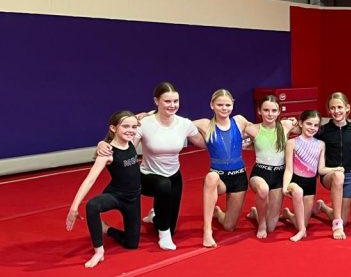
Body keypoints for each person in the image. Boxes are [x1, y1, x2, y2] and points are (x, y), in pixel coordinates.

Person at [98, 82, 206, 251]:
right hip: (147, 177)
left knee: (171, 225)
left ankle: (155, 217)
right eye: (167, 101)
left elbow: (204, 144)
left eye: (175, 101)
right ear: (156, 101)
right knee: (163, 186)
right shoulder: (145, 123)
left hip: (174, 176)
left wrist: (230, 139)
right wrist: (103, 143)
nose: (172, 105)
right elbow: (124, 145)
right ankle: (164, 235)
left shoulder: (184, 124)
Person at [66, 111, 141, 268]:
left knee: (132, 244)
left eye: (134, 127)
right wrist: (74, 206)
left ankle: (106, 229)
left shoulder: (132, 140)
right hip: (116, 195)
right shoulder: (107, 153)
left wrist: (101, 141)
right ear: (113, 128)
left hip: (133, 198)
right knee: (92, 205)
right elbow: (90, 179)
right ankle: (98, 251)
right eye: (125, 126)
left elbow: (146, 115)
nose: (130, 130)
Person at [192, 89, 253, 248]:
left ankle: (218, 212)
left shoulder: (239, 121)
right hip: (219, 179)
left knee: (229, 226)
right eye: (220, 105)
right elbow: (177, 124)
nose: (224, 108)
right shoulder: (205, 124)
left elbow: (260, 130)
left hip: (239, 177)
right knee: (211, 177)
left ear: (232, 105)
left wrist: (290, 124)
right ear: (212, 105)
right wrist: (150, 115)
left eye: (227, 105)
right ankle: (207, 230)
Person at [312, 92, 351, 239]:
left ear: (347, 108)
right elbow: (309, 144)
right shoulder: (323, 130)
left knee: (344, 220)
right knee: (338, 176)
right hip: (329, 174)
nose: (336, 111)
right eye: (332, 108)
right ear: (328, 110)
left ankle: (323, 206)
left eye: (339, 107)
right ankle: (337, 225)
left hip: (349, 174)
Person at [282, 110, 334, 242]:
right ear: (301, 123)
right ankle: (301, 231)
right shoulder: (292, 142)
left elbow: (320, 169)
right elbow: (289, 169)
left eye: (316, 125)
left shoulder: (320, 144)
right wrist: (285, 186)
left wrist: (336, 169)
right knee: (298, 192)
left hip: (310, 185)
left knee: (302, 223)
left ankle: (289, 215)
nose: (312, 128)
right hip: (295, 182)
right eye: (309, 124)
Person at [245, 95, 290, 239]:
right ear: (259, 111)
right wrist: (247, 145)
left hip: (279, 175)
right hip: (260, 173)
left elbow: (306, 128)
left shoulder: (286, 126)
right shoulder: (252, 129)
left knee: (272, 227)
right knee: (263, 189)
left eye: (274, 110)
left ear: (279, 112)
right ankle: (261, 224)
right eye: (266, 110)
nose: (270, 114)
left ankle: (256, 212)